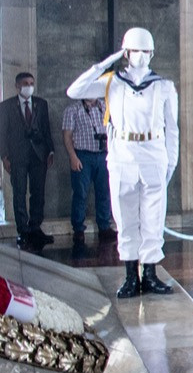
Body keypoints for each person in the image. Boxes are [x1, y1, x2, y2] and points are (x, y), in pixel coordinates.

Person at [67, 31, 178, 297]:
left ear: (152, 53)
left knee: (153, 218)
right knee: (125, 217)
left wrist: (170, 164)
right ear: (126, 53)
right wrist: (104, 64)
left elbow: (173, 129)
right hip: (122, 155)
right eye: (135, 50)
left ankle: (150, 274)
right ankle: (131, 276)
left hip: (153, 154)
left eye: (145, 51)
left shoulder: (163, 86)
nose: (141, 56)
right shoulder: (111, 82)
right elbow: (74, 91)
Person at [1, 73, 55, 252]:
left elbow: (47, 128)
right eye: (25, 84)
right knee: (19, 193)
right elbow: (2, 133)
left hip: (38, 154)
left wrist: (50, 150)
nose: (29, 87)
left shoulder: (41, 104)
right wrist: (4, 156)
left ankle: (35, 227)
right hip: (18, 155)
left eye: (31, 83)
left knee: (38, 193)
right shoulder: (6, 106)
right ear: (17, 86)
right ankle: (23, 230)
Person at [60, 93, 114, 251]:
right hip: (83, 155)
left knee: (104, 192)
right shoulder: (73, 110)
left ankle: (104, 226)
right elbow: (67, 136)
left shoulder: (105, 107)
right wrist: (72, 157)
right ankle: (78, 228)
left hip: (103, 154)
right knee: (80, 193)